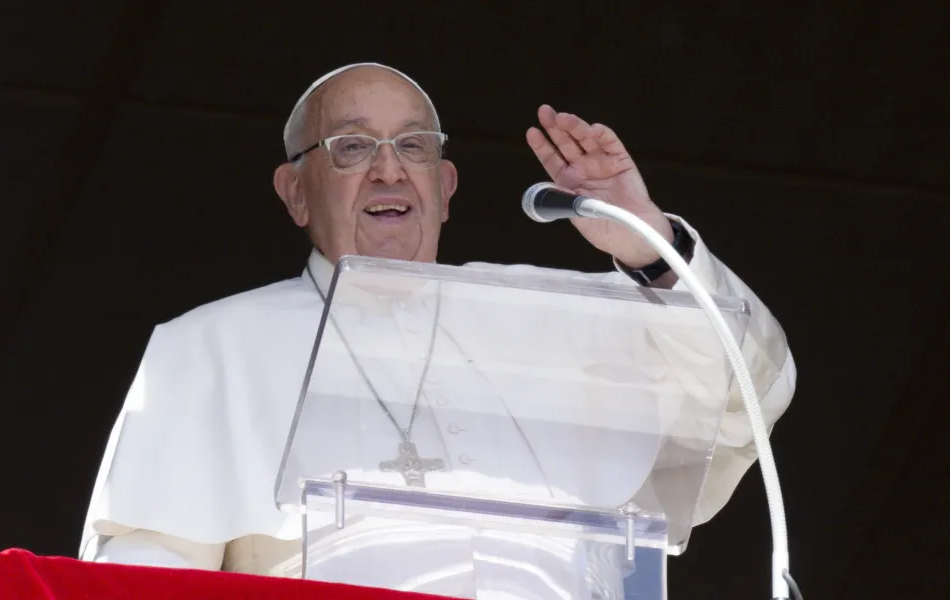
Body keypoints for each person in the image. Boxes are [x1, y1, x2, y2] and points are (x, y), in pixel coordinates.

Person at [80, 62, 796, 596]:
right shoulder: (213, 347)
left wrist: (643, 239)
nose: (389, 171)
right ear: (295, 192)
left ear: (445, 187)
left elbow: (749, 392)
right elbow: (148, 576)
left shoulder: (559, 318)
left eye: (414, 147)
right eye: (352, 148)